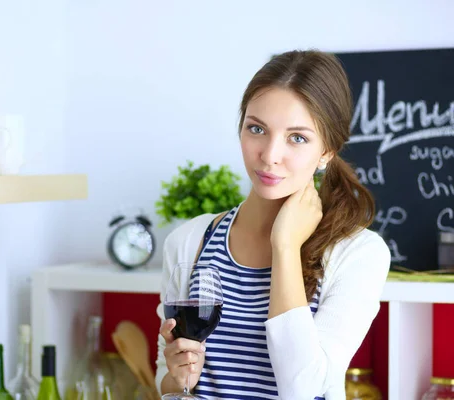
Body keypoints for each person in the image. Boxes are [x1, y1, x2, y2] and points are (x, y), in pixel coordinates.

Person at [155, 49, 391, 399]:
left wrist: (285, 246)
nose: (269, 155)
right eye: (257, 129)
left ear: (327, 150)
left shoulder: (359, 255)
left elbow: (304, 389)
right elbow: (168, 383)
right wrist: (177, 376)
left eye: (297, 137)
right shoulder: (190, 242)